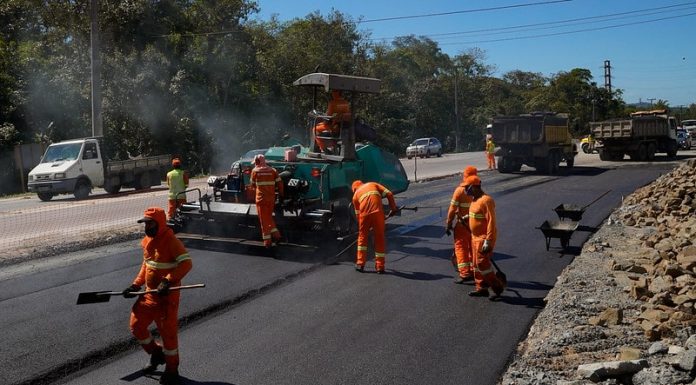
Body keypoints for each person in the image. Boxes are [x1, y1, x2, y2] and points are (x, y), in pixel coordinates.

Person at [122, 207, 192, 385]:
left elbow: (186, 264)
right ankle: (156, 353)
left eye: (150, 223)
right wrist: (135, 285)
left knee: (168, 335)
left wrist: (168, 281)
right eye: (145, 224)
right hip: (148, 295)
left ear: (159, 223)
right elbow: (147, 266)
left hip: (166, 298)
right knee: (136, 326)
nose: (146, 227)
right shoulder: (147, 241)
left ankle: (172, 369)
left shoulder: (171, 241)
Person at [463, 175, 505, 298]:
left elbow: (491, 221)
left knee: (483, 265)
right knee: (475, 264)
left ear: (475, 187)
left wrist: (488, 240)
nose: (466, 190)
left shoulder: (486, 200)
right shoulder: (474, 200)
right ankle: (481, 287)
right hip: (474, 237)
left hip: (483, 238)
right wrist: (467, 218)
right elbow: (476, 215)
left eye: (467, 187)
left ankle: (497, 288)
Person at [351, 180, 399, 274]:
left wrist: (365, 227)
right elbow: (389, 194)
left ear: (354, 189)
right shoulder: (373, 184)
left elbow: (358, 216)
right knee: (379, 238)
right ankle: (380, 267)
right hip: (378, 213)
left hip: (364, 216)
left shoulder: (355, 196)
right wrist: (393, 209)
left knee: (362, 238)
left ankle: (360, 264)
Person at [445, 166, 478, 283]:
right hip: (475, 225)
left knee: (461, 247)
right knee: (473, 248)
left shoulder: (460, 190)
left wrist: (448, 224)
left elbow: (452, 209)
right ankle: (476, 271)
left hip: (462, 225)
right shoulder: (478, 189)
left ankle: (464, 273)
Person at [249, 154, 284, 247]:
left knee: (263, 221)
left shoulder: (255, 171)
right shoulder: (273, 170)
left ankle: (267, 242)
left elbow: (252, 186)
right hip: (271, 199)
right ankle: (277, 236)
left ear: (257, 161)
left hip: (261, 200)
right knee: (268, 218)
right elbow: (280, 183)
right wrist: (281, 194)